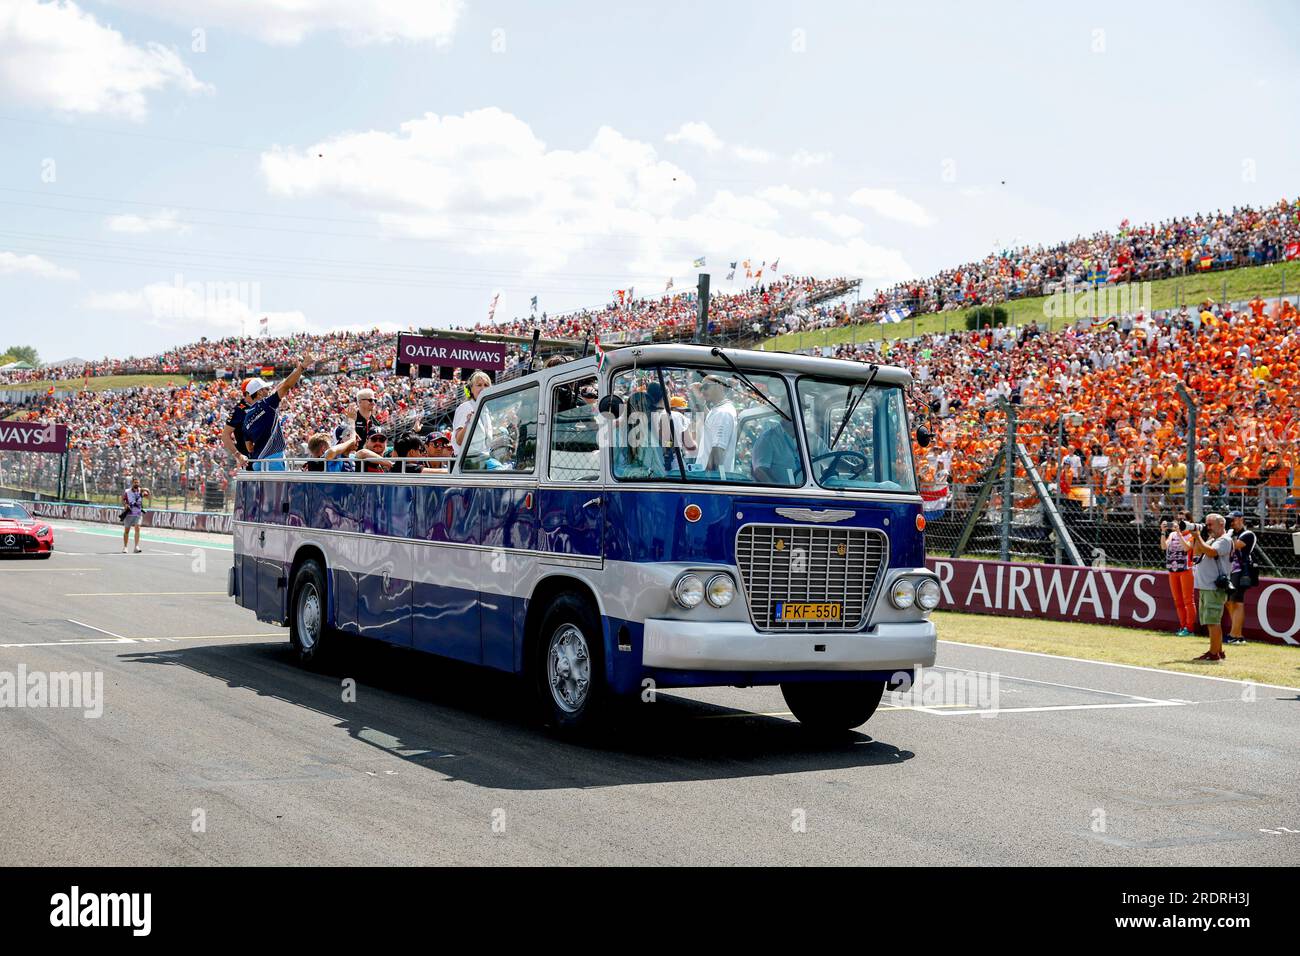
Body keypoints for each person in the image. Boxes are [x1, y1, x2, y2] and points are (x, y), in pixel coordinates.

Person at [240, 350, 315, 471]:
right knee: (280, 490)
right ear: (259, 392)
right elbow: (285, 387)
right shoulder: (266, 404)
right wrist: (302, 367)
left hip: (257, 463)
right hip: (274, 460)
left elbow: (249, 447)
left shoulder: (246, 418)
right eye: (265, 389)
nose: (268, 390)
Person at [1189, 513, 1233, 662]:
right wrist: (1196, 536)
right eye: (1206, 524)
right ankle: (1218, 651)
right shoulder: (1213, 539)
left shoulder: (1225, 540)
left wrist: (1198, 536)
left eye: (1210, 524)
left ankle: (1214, 654)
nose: (1208, 527)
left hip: (1213, 587)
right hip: (1206, 586)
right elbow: (1197, 553)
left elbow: (1210, 552)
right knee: (1211, 621)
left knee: (1213, 621)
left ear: (1221, 524)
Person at [690, 375, 738, 474]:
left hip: (711, 481)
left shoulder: (722, 413)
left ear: (720, 386)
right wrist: (700, 401)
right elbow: (711, 423)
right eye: (701, 387)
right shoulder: (719, 410)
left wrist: (706, 479)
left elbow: (717, 453)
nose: (702, 391)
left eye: (706, 387)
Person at [1224, 510, 1257, 645]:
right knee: (1228, 601)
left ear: (1241, 519)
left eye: (1233, 519)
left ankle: (1235, 635)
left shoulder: (1248, 534)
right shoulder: (1231, 533)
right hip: (1230, 570)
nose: (1231, 522)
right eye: (1229, 520)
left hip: (1241, 570)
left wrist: (1224, 534)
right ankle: (1237, 633)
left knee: (1237, 601)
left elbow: (1233, 545)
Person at [1160, 512, 1197, 636]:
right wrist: (1163, 532)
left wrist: (1180, 534)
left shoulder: (1192, 535)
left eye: (1183, 520)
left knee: (1188, 600)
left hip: (1186, 570)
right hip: (1173, 570)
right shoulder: (1172, 534)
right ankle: (1182, 626)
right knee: (1178, 600)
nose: (1180, 522)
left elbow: (1187, 548)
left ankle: (1190, 628)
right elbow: (1164, 546)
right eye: (1178, 519)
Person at [452, 371, 492, 457]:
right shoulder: (466, 407)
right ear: (470, 389)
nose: (483, 388)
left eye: (486, 385)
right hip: (468, 461)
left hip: (483, 458)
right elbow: (459, 441)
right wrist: (468, 424)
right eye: (479, 385)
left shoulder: (486, 410)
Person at [121, 477, 149, 553]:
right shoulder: (127, 491)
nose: (136, 484)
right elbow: (123, 500)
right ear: (132, 483)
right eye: (135, 482)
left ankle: (136, 546)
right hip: (129, 513)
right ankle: (125, 547)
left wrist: (148, 492)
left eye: (137, 482)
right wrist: (126, 505)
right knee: (127, 530)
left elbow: (148, 497)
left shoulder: (141, 491)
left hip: (138, 513)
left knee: (137, 528)